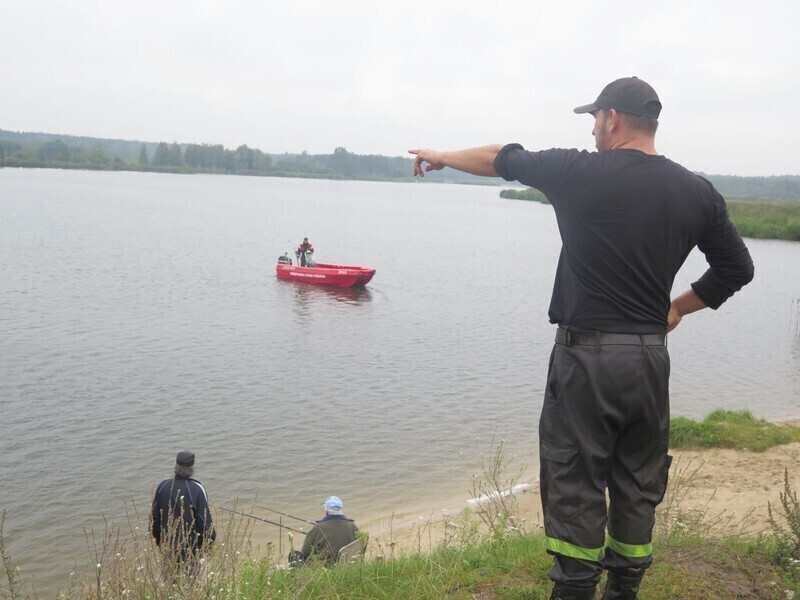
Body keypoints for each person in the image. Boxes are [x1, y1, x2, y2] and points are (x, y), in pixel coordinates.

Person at [410, 77, 754, 600]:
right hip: (648, 362)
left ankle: (573, 588)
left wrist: (440, 155)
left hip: (585, 360)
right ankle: (624, 589)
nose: (592, 130)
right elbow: (737, 268)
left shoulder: (576, 171)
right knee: (638, 479)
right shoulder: (696, 190)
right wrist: (677, 308)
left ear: (612, 118)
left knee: (575, 478)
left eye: (594, 119)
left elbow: (501, 156)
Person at [151, 451, 216, 576]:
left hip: (167, 544)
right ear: (192, 468)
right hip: (191, 546)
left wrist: (158, 539)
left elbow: (155, 517)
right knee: (191, 582)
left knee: (169, 580)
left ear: (175, 466)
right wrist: (209, 543)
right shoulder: (197, 488)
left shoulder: (163, 486)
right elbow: (205, 522)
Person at [289, 496, 358, 566]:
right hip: (347, 565)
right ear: (341, 510)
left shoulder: (318, 528)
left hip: (322, 568)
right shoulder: (353, 526)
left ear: (327, 512)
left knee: (294, 554)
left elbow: (305, 552)